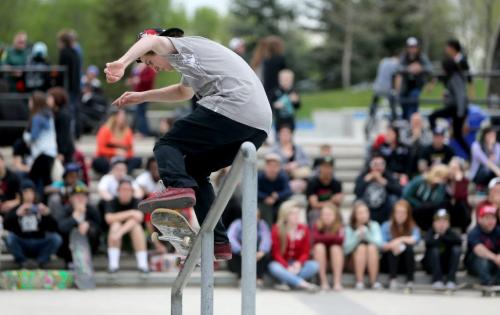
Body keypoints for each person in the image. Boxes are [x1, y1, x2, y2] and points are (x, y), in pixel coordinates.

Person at [104, 27, 271, 260]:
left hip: (233, 107)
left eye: (150, 62)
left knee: (166, 144)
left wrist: (122, 63)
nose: (154, 68)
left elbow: (151, 39)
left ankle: (177, 186)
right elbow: (183, 92)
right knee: (195, 169)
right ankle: (218, 242)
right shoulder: (192, 62)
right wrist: (141, 96)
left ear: (158, 48)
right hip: (256, 127)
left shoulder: (183, 45)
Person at [428, 39, 472, 157]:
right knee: (457, 135)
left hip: (457, 109)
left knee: (433, 117)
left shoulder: (455, 78)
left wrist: (461, 115)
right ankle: (439, 137)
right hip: (455, 108)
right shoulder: (451, 77)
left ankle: (438, 136)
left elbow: (461, 95)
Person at [3, 180, 62, 268]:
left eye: (31, 192)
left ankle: (40, 261)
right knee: (9, 237)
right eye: (26, 192)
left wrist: (47, 215)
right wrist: (17, 214)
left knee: (56, 238)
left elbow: (55, 228)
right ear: (21, 194)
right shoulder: (16, 209)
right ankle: (22, 261)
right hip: (22, 243)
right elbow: (6, 226)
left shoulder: (40, 208)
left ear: (35, 194)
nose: (29, 196)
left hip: (39, 242)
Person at [268, 200, 319, 291]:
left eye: (298, 213)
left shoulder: (304, 229)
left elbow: (305, 252)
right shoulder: (277, 229)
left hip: (297, 264)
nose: (296, 216)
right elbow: (276, 254)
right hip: (282, 264)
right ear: (285, 215)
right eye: (293, 214)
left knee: (314, 265)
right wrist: (287, 266)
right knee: (273, 267)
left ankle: (286, 282)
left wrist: (298, 263)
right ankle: (303, 284)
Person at [105, 179, 148, 273]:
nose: (126, 192)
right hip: (113, 235)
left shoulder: (136, 201)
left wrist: (119, 233)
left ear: (132, 191)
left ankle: (143, 265)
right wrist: (131, 213)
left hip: (127, 234)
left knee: (136, 226)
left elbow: (139, 217)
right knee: (115, 225)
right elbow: (109, 218)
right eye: (123, 189)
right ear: (118, 190)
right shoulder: (111, 202)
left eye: (128, 190)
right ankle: (113, 265)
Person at [56, 183, 101, 267]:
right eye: (77, 196)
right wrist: (75, 218)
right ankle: (70, 262)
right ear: (71, 198)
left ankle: (86, 261)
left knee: (92, 231)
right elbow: (60, 227)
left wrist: (88, 225)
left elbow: (99, 228)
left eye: (83, 196)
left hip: (88, 247)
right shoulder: (65, 210)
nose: (80, 199)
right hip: (68, 249)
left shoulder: (92, 210)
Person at [381, 200, 420, 290]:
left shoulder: (413, 226)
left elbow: (415, 239)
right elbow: (382, 245)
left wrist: (400, 240)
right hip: (388, 263)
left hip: (404, 262)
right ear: (393, 214)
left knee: (408, 248)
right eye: (398, 212)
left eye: (403, 213)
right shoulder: (386, 226)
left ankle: (410, 280)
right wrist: (393, 245)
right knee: (393, 249)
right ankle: (392, 280)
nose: (400, 215)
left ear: (408, 214)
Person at [344, 201, 383, 290]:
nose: (363, 215)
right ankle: (359, 282)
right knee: (361, 248)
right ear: (355, 215)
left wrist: (367, 235)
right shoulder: (349, 227)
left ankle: (374, 282)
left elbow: (380, 245)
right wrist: (356, 237)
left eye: (365, 212)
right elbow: (345, 249)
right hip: (353, 261)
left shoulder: (374, 225)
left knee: (371, 247)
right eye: (360, 213)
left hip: (371, 258)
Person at [24, 91, 57, 197]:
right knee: (45, 181)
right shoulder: (48, 115)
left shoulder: (37, 117)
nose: (29, 103)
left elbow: (34, 137)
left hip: (42, 153)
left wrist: (26, 136)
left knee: (31, 180)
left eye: (31, 100)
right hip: (50, 152)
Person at [227, 209, 271, 286]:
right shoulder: (237, 224)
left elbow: (266, 238)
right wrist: (240, 251)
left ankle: (258, 277)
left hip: (256, 253)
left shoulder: (262, 224)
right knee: (233, 254)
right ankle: (241, 277)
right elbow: (230, 238)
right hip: (240, 252)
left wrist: (262, 251)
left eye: (256, 217)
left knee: (265, 256)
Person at [92, 109, 143, 175]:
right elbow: (101, 150)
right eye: (121, 116)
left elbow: (131, 151)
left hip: (123, 159)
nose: (123, 119)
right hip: (108, 159)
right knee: (98, 162)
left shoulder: (127, 131)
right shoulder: (105, 130)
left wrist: (125, 154)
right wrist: (115, 152)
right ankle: (111, 175)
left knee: (137, 160)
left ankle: (124, 174)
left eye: (124, 116)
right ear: (114, 117)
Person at [422, 209, 462, 290]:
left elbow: (458, 241)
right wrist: (443, 239)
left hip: (446, 266)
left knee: (456, 249)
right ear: (434, 223)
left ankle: (451, 280)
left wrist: (441, 237)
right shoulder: (431, 232)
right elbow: (428, 242)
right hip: (432, 266)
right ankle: (437, 280)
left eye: (444, 222)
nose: (441, 224)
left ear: (448, 224)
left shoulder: (451, 233)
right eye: (439, 221)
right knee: (434, 250)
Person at [354, 155, 402, 223]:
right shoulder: (364, 175)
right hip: (368, 205)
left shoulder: (388, 175)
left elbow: (399, 191)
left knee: (393, 199)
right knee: (357, 202)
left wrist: (383, 182)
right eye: (375, 164)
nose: (378, 167)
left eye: (381, 164)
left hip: (385, 207)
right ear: (370, 165)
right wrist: (365, 181)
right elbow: (356, 192)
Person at [395, 37, 433, 120]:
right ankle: (406, 121)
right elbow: (398, 68)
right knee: (403, 104)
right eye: (410, 47)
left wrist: (420, 68)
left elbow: (430, 68)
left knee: (413, 102)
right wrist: (408, 68)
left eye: (414, 47)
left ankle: (413, 123)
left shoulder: (422, 57)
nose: (412, 49)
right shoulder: (404, 57)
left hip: (417, 85)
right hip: (405, 86)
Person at [403, 164, 449, 231]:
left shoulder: (440, 186)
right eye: (443, 178)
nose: (444, 180)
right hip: (415, 206)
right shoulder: (419, 180)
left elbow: (439, 200)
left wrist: (439, 187)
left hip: (428, 208)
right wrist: (418, 204)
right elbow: (406, 195)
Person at [311, 203, 345, 291]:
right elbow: (315, 239)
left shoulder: (340, 226)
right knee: (319, 247)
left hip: (335, 258)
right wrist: (332, 238)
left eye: (330, 214)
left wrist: (324, 238)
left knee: (335, 248)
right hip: (321, 258)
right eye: (325, 214)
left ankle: (337, 282)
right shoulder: (316, 225)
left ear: (335, 216)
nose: (327, 217)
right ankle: (323, 282)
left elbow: (340, 240)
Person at [465, 204, 500, 286]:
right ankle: (487, 283)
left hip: (493, 263)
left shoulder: (497, 230)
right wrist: (496, 258)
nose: (491, 221)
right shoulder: (474, 232)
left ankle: (497, 282)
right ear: (480, 219)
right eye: (487, 218)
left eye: (493, 218)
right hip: (474, 265)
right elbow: (478, 249)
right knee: (481, 259)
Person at [365, 52, 399, 135]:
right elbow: (396, 78)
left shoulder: (384, 61)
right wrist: (397, 90)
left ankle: (371, 115)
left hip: (377, 87)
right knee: (392, 105)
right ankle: (394, 121)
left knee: (374, 103)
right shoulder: (396, 64)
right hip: (387, 89)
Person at [272, 125, 311, 193]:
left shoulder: (298, 148)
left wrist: (296, 164)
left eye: (287, 133)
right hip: (281, 177)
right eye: (283, 133)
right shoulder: (274, 150)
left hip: (297, 176)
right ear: (279, 135)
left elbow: (307, 161)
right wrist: (284, 167)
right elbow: (270, 164)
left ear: (291, 135)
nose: (285, 136)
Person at [57, 29, 81, 137]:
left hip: (68, 87)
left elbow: (62, 72)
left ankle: (68, 134)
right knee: (73, 111)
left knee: (68, 111)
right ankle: (74, 133)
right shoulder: (75, 52)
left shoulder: (64, 53)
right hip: (75, 86)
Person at [257, 153, 292, 226]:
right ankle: (268, 230)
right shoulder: (259, 177)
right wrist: (265, 197)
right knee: (264, 207)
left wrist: (278, 195)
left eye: (275, 166)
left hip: (278, 202)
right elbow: (254, 192)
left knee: (286, 206)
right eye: (269, 165)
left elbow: (288, 191)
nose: (272, 169)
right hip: (263, 203)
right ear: (265, 167)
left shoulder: (283, 176)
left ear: (279, 167)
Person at [306, 156, 343, 223]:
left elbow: (338, 201)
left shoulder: (337, 183)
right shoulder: (312, 182)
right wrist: (331, 201)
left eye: (329, 167)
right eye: (325, 167)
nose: (327, 170)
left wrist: (322, 204)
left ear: (332, 168)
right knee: (315, 214)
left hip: (331, 210)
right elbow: (314, 205)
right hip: (316, 211)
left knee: (338, 213)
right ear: (320, 168)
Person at [126, 63, 156, 136]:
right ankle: (141, 131)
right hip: (138, 94)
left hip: (145, 94)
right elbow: (135, 77)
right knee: (139, 113)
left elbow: (150, 78)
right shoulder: (138, 67)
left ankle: (144, 132)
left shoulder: (149, 68)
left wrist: (139, 80)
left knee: (141, 113)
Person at [47, 86, 75, 163]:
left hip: (64, 151)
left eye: (50, 98)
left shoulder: (63, 114)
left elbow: (64, 135)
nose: (48, 100)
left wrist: (61, 152)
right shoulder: (55, 113)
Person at [447, 157, 472, 232]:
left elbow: (459, 196)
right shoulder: (446, 181)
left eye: (455, 168)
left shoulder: (465, 182)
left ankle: (463, 232)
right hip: (448, 213)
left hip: (462, 215)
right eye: (450, 167)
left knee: (461, 204)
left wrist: (458, 181)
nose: (452, 170)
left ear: (460, 170)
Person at [262, 36, 286, 101]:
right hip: (277, 88)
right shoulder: (280, 59)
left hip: (267, 88)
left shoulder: (266, 60)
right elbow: (284, 74)